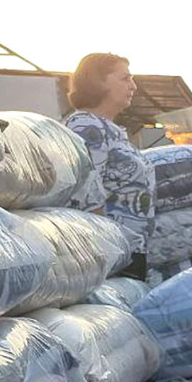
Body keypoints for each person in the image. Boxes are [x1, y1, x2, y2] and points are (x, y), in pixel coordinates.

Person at [64, 53, 155, 279]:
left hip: (130, 249)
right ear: (97, 81)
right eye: (125, 78)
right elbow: (87, 195)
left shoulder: (112, 130)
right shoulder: (86, 127)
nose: (133, 86)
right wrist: (104, 255)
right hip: (110, 254)